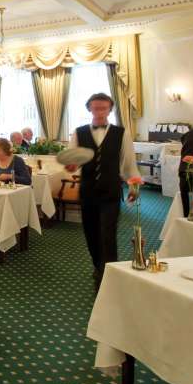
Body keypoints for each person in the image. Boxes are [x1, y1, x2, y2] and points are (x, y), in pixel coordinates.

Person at [63, 93, 141, 285]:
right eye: (96, 108)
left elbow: (128, 162)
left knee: (108, 232)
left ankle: (109, 272)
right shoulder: (78, 132)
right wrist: (71, 165)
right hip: (88, 190)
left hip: (110, 191)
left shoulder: (121, 133)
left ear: (109, 110)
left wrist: (134, 187)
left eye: (103, 108)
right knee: (91, 232)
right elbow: (71, 159)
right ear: (89, 109)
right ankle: (98, 266)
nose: (99, 112)